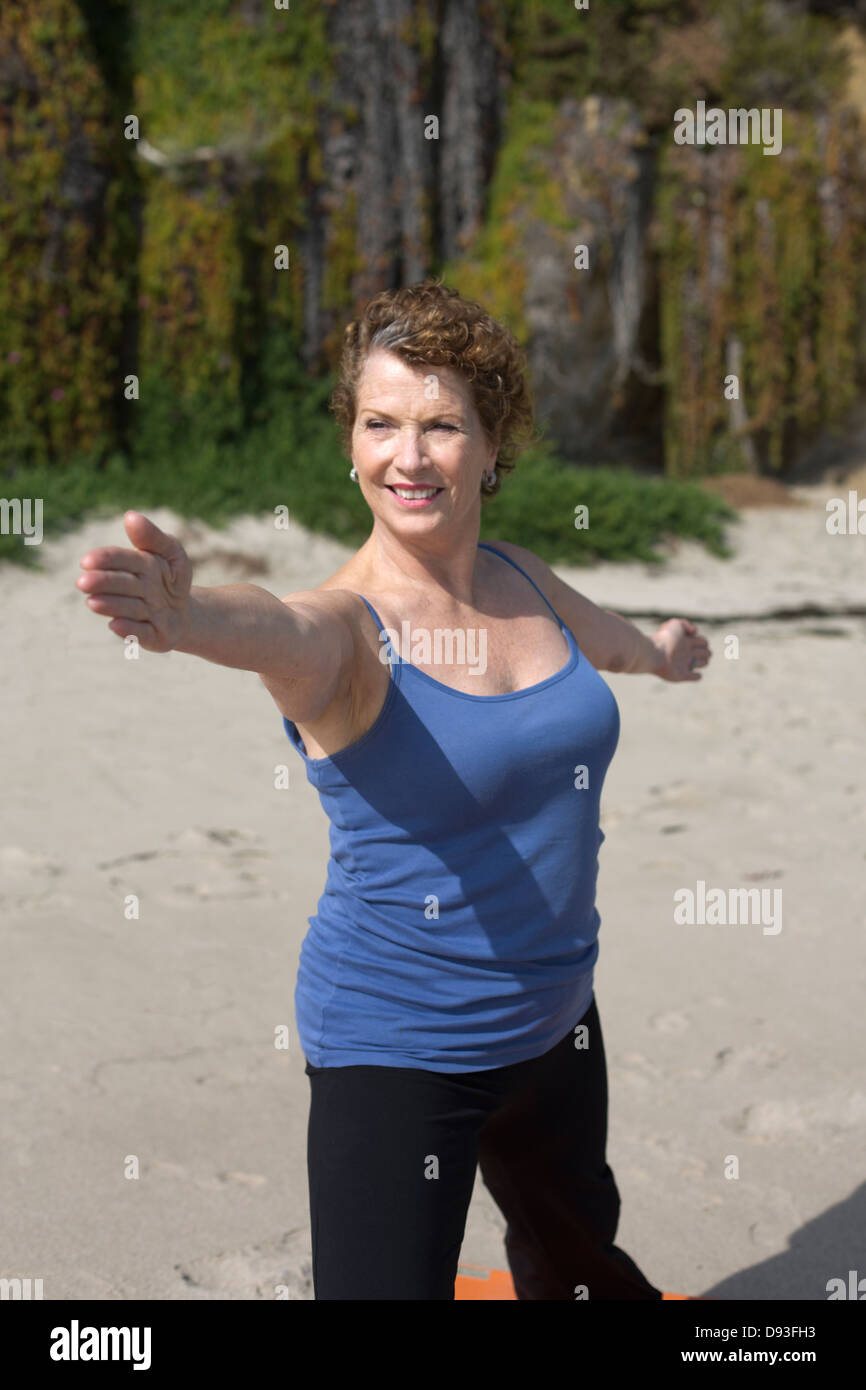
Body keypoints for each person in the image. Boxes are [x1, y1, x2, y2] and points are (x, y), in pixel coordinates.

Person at [76, 279, 711, 1300]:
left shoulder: (524, 578)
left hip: (557, 1021)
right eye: (380, 423)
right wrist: (186, 617)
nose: (407, 457)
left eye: (440, 425)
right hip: (401, 1045)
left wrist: (665, 652)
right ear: (349, 442)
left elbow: (612, 641)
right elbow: (274, 627)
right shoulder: (344, 629)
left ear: (492, 443)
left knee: (579, 1269)